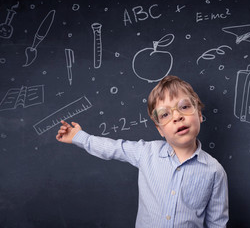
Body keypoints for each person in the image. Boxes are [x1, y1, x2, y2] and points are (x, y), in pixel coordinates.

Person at [56, 75, 229, 227]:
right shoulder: (147, 152)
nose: (177, 117)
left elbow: (217, 223)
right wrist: (79, 137)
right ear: (159, 129)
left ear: (199, 114)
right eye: (165, 115)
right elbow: (114, 148)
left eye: (184, 107)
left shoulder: (214, 171)